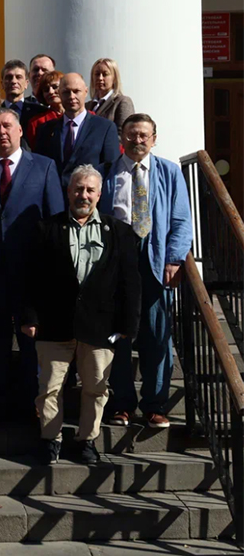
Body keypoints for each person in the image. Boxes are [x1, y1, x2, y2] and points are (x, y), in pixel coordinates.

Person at [21, 165, 140, 465]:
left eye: (89, 190)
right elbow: (30, 278)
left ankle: (87, 441)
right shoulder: (44, 229)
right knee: (49, 388)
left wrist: (128, 324)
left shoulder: (119, 232)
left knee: (96, 388)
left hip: (100, 326)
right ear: (68, 191)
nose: (82, 195)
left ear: (99, 194)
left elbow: (130, 282)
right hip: (53, 324)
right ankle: (50, 440)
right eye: (77, 189)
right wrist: (28, 316)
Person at [0, 107, 63, 418]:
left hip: (32, 276)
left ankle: (31, 406)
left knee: (31, 344)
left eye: (8, 126)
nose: (2, 133)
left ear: (21, 131)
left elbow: (55, 223)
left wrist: (53, 273)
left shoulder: (45, 167)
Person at [101, 114, 193, 429]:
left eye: (143, 135)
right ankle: (122, 404)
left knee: (157, 336)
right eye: (131, 135)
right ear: (121, 139)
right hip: (118, 261)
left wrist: (175, 258)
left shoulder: (169, 172)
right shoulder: (108, 173)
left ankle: (154, 405)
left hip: (155, 258)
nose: (137, 141)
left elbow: (181, 219)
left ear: (154, 138)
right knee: (119, 336)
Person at [33, 72, 119, 192]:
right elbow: (39, 168)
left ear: (86, 91)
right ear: (60, 95)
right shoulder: (46, 130)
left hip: (89, 201)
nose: (71, 96)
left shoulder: (105, 128)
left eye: (76, 91)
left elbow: (111, 170)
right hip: (55, 203)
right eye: (66, 92)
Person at [87, 58, 135, 133]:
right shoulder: (87, 106)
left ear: (114, 78)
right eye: (97, 74)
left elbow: (124, 134)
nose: (100, 78)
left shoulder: (122, 102)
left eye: (105, 74)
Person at [0, 60, 45, 131]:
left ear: (26, 83)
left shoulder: (39, 112)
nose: (13, 81)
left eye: (18, 77)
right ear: (2, 83)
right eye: (9, 77)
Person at [25, 70, 65, 150]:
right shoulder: (36, 122)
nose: (51, 92)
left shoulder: (81, 115)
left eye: (55, 87)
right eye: (46, 89)